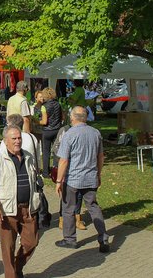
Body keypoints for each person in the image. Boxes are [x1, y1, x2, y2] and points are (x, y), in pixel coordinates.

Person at [0, 125, 41, 278]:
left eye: (19, 138)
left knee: (32, 242)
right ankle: (11, 275)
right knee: (8, 248)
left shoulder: (29, 157)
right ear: (5, 141)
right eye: (14, 139)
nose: (18, 141)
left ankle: (17, 268)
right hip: (7, 210)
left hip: (28, 208)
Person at [54, 106, 110, 253]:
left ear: (72, 118)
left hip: (73, 178)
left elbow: (63, 160)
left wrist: (59, 181)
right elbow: (100, 157)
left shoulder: (69, 134)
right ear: (85, 117)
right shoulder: (95, 133)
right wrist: (98, 174)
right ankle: (103, 237)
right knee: (93, 207)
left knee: (68, 209)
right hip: (90, 177)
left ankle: (70, 239)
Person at [39, 87, 63, 178]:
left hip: (47, 131)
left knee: (46, 152)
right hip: (57, 130)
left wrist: (36, 121)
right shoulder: (58, 104)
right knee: (56, 151)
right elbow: (62, 117)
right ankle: (55, 170)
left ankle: (45, 172)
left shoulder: (44, 106)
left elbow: (44, 122)